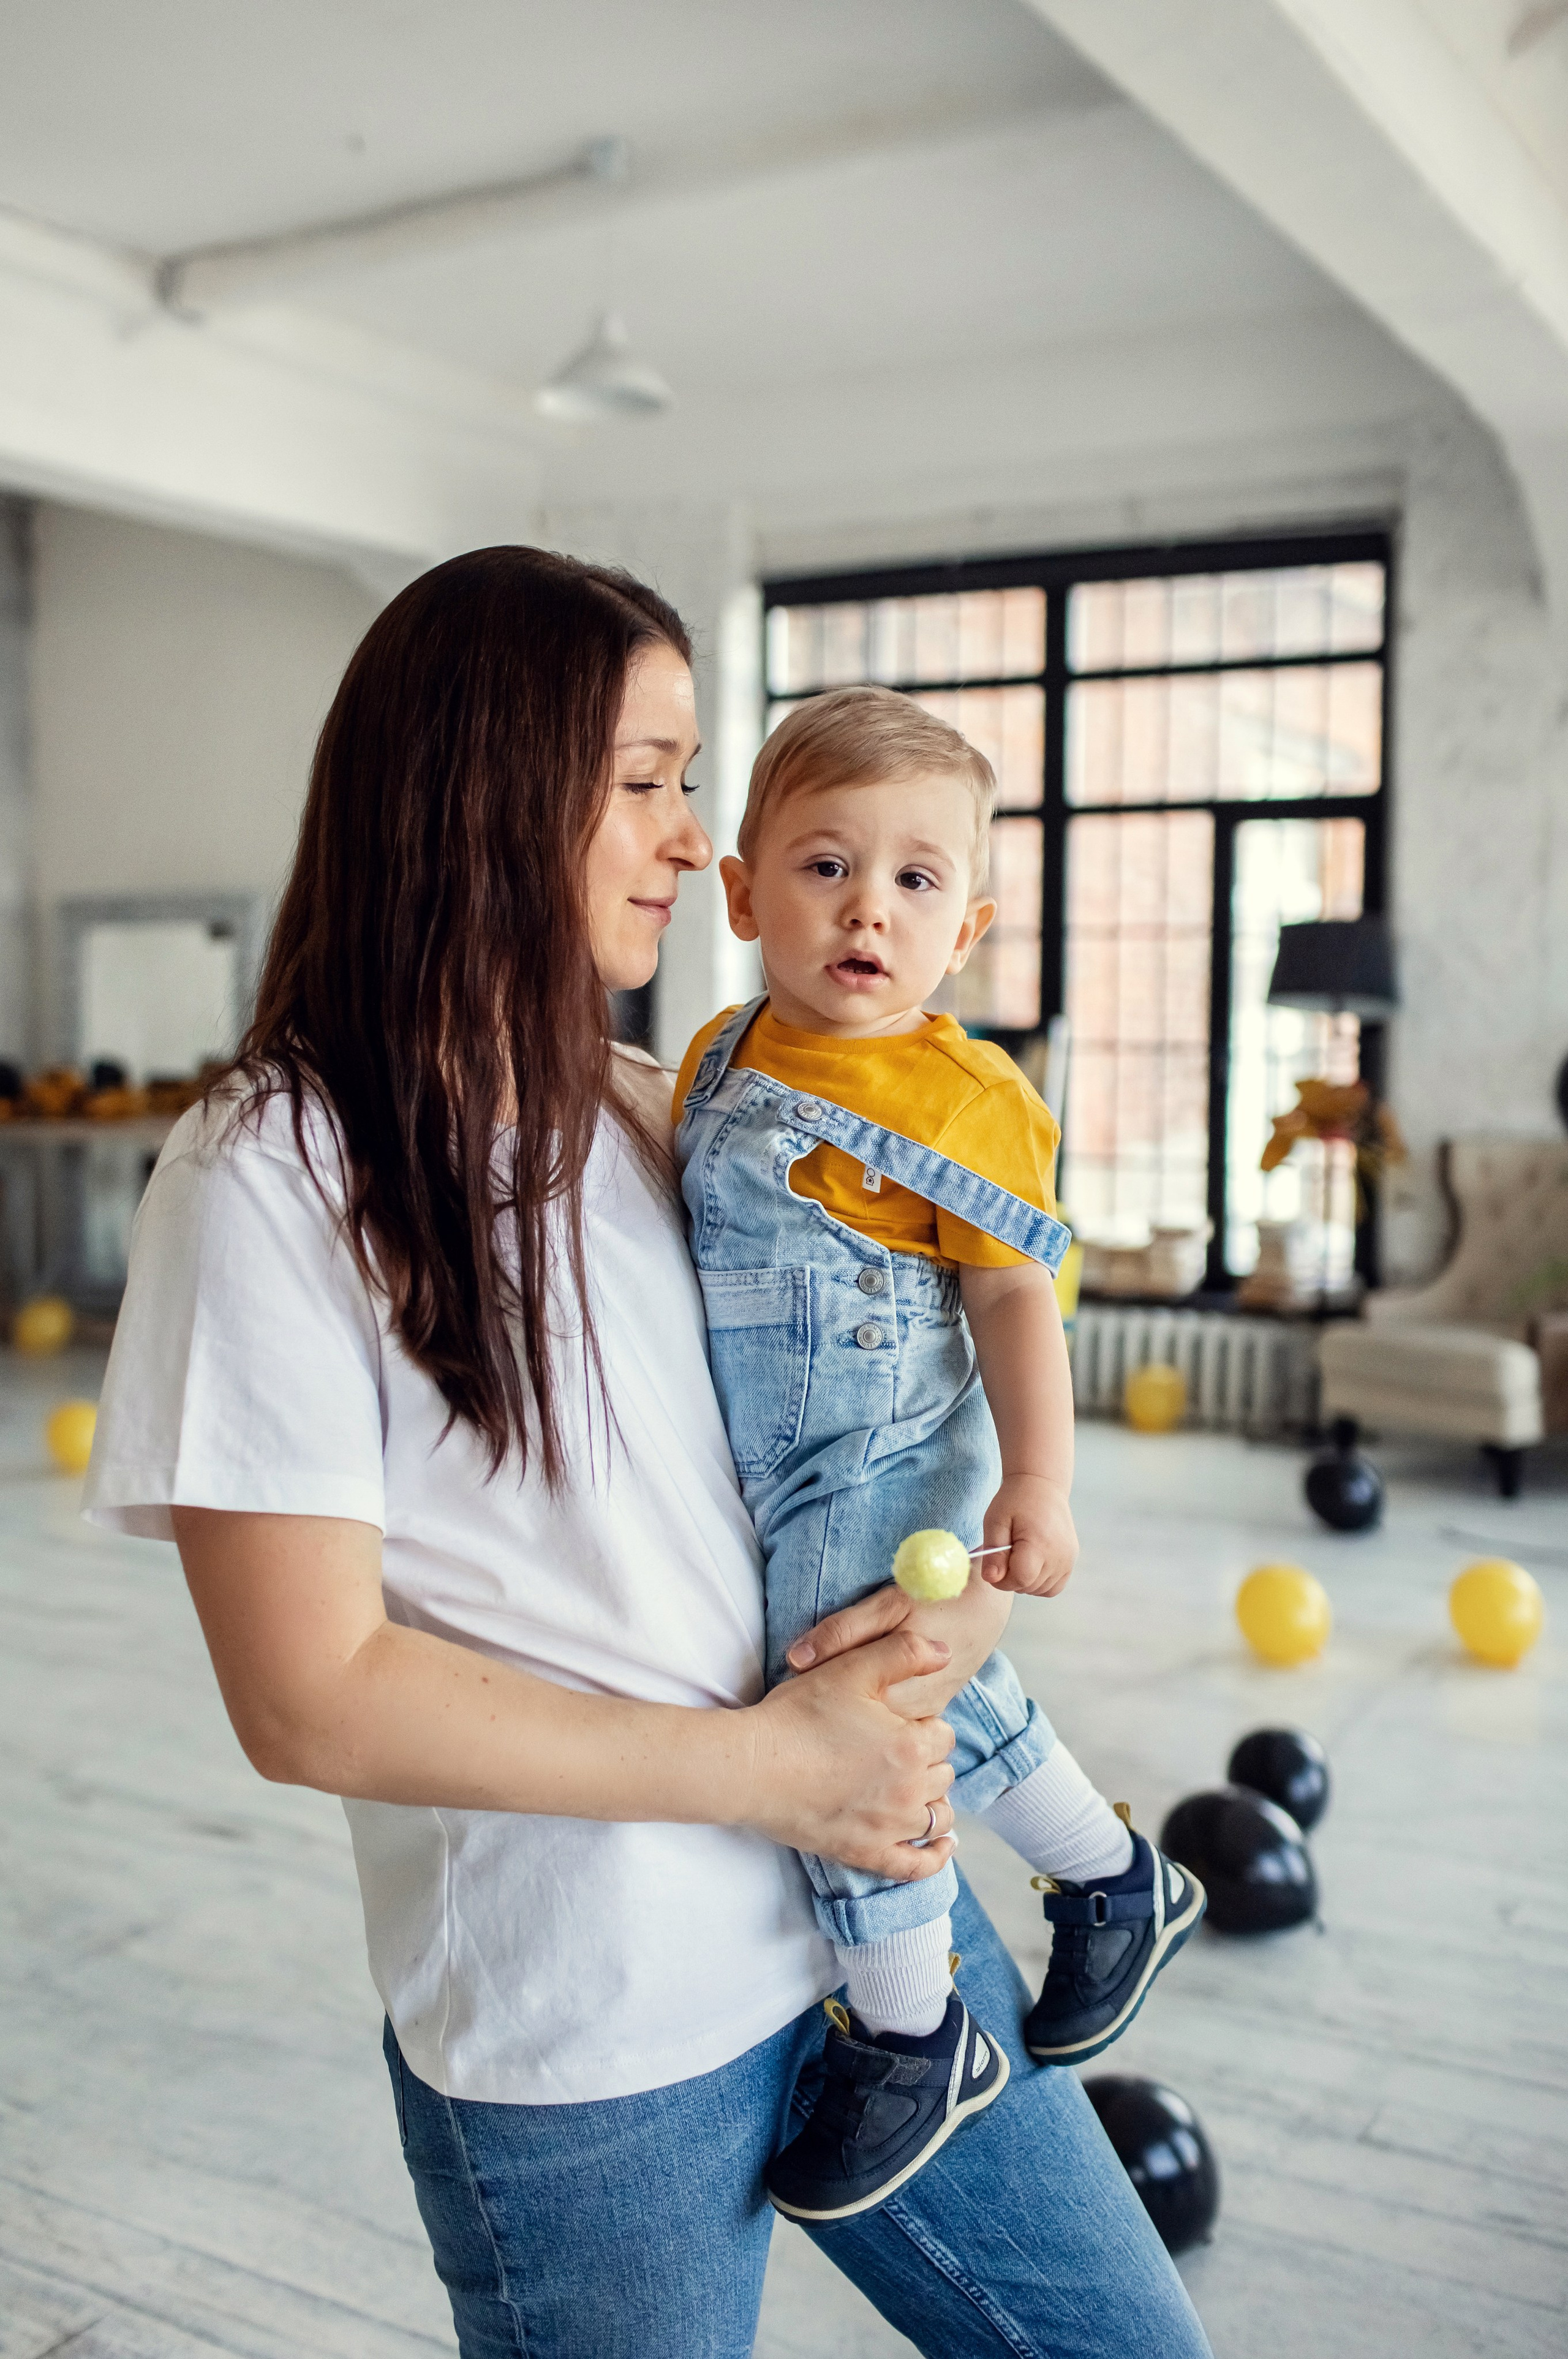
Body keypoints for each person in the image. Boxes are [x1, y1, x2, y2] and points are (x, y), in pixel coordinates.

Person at [84, 548, 1212, 2359]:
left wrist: (955, 1627)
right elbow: (310, 1696)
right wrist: (771, 1769)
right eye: (649, 780)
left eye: (690, 787)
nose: (696, 844)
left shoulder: (665, 1106)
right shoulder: (268, 1171)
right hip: (591, 2044)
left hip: (880, 1938)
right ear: (482, 783)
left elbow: (862, 1450)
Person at [674, 687, 1205, 2221]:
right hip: (770, 1463)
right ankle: (1114, 1881)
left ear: (963, 929)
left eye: (914, 881)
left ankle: (910, 2032)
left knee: (855, 1701)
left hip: (886, 1455)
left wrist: (1034, 1482)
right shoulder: (719, 1054)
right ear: (742, 891)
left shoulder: (966, 1099)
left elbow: (1010, 1300)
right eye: (824, 864)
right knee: (938, 1687)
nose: (865, 910)